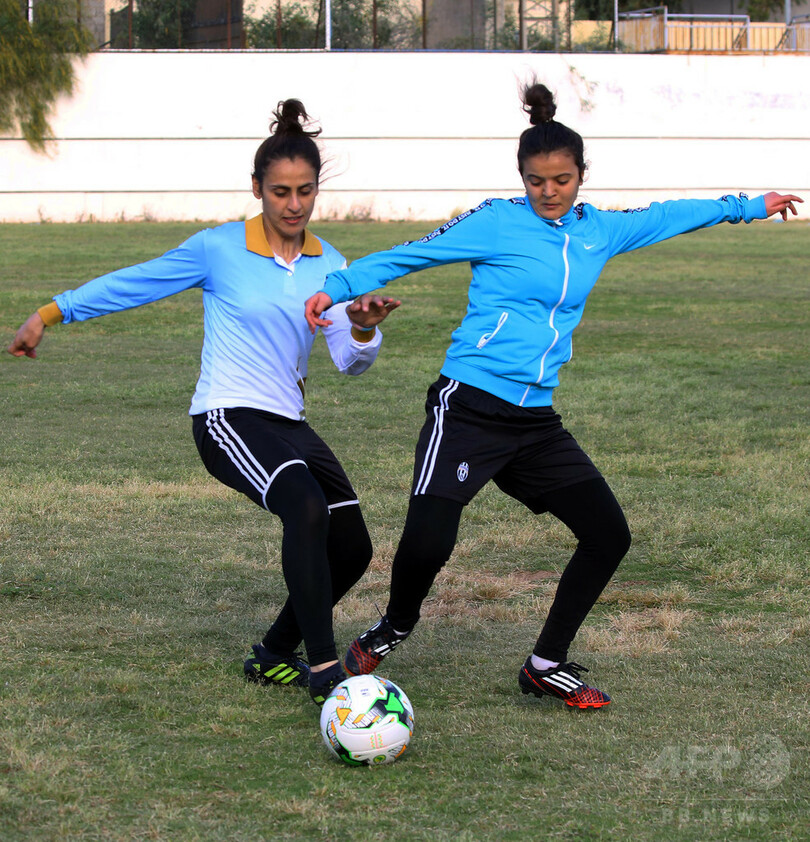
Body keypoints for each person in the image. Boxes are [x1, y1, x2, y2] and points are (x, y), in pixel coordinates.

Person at [304, 82, 802, 709]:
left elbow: (668, 216)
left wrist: (750, 205)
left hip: (535, 420)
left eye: (562, 180)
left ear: (581, 176)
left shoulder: (600, 232)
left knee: (608, 536)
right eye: (537, 180)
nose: (549, 191)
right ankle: (393, 627)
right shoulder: (495, 221)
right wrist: (338, 286)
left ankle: (545, 663)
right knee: (430, 543)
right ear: (523, 177)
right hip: (470, 406)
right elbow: (413, 256)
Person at [8, 99, 400, 707]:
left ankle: (273, 654)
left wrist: (366, 326)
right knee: (304, 506)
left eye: (304, 191)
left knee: (353, 544)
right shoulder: (220, 249)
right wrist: (51, 312)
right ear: (257, 190)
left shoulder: (332, 264)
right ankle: (325, 670)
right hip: (226, 415)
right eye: (280, 192)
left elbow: (349, 361)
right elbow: (136, 281)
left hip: (289, 424)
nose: (293, 205)